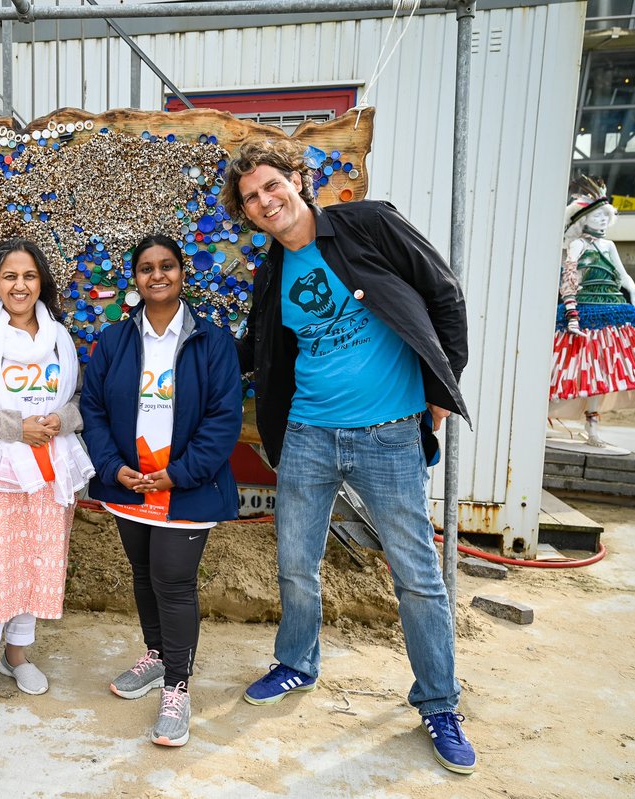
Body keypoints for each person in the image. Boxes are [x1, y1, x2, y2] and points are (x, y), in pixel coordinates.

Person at [222, 138, 476, 774]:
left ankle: (439, 703)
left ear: (297, 179)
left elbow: (444, 293)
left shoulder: (369, 224)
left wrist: (441, 386)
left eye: (272, 185)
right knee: (295, 564)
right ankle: (296, 663)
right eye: (251, 198)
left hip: (389, 434)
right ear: (246, 212)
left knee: (417, 576)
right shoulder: (271, 273)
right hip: (308, 435)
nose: (265, 201)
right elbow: (260, 350)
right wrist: (182, 354)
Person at [81, 234, 242, 748]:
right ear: (135, 278)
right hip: (132, 485)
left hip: (185, 488)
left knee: (173, 582)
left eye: (166, 266)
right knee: (144, 574)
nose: (157, 275)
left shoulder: (212, 342)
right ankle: (156, 656)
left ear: (182, 274)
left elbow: (224, 418)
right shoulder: (115, 341)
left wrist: (181, 473)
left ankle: (177, 686)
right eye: (147, 268)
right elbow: (93, 408)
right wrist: (113, 468)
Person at [0, 239, 94, 721]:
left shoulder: (60, 340)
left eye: (29, 276)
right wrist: (16, 427)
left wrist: (61, 420)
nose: (20, 286)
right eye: (10, 276)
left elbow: (79, 401)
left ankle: (17, 656)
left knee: (32, 569)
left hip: (49, 476)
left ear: (42, 283)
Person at [551, 176, 635, 444]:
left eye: (606, 215)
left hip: (611, 306)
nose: (603, 220)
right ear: (582, 220)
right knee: (569, 366)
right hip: (584, 310)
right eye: (597, 215)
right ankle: (543, 410)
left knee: (601, 370)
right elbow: (569, 276)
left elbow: (623, 274)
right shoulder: (578, 244)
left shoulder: (609, 245)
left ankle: (592, 427)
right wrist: (571, 312)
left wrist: (633, 292)